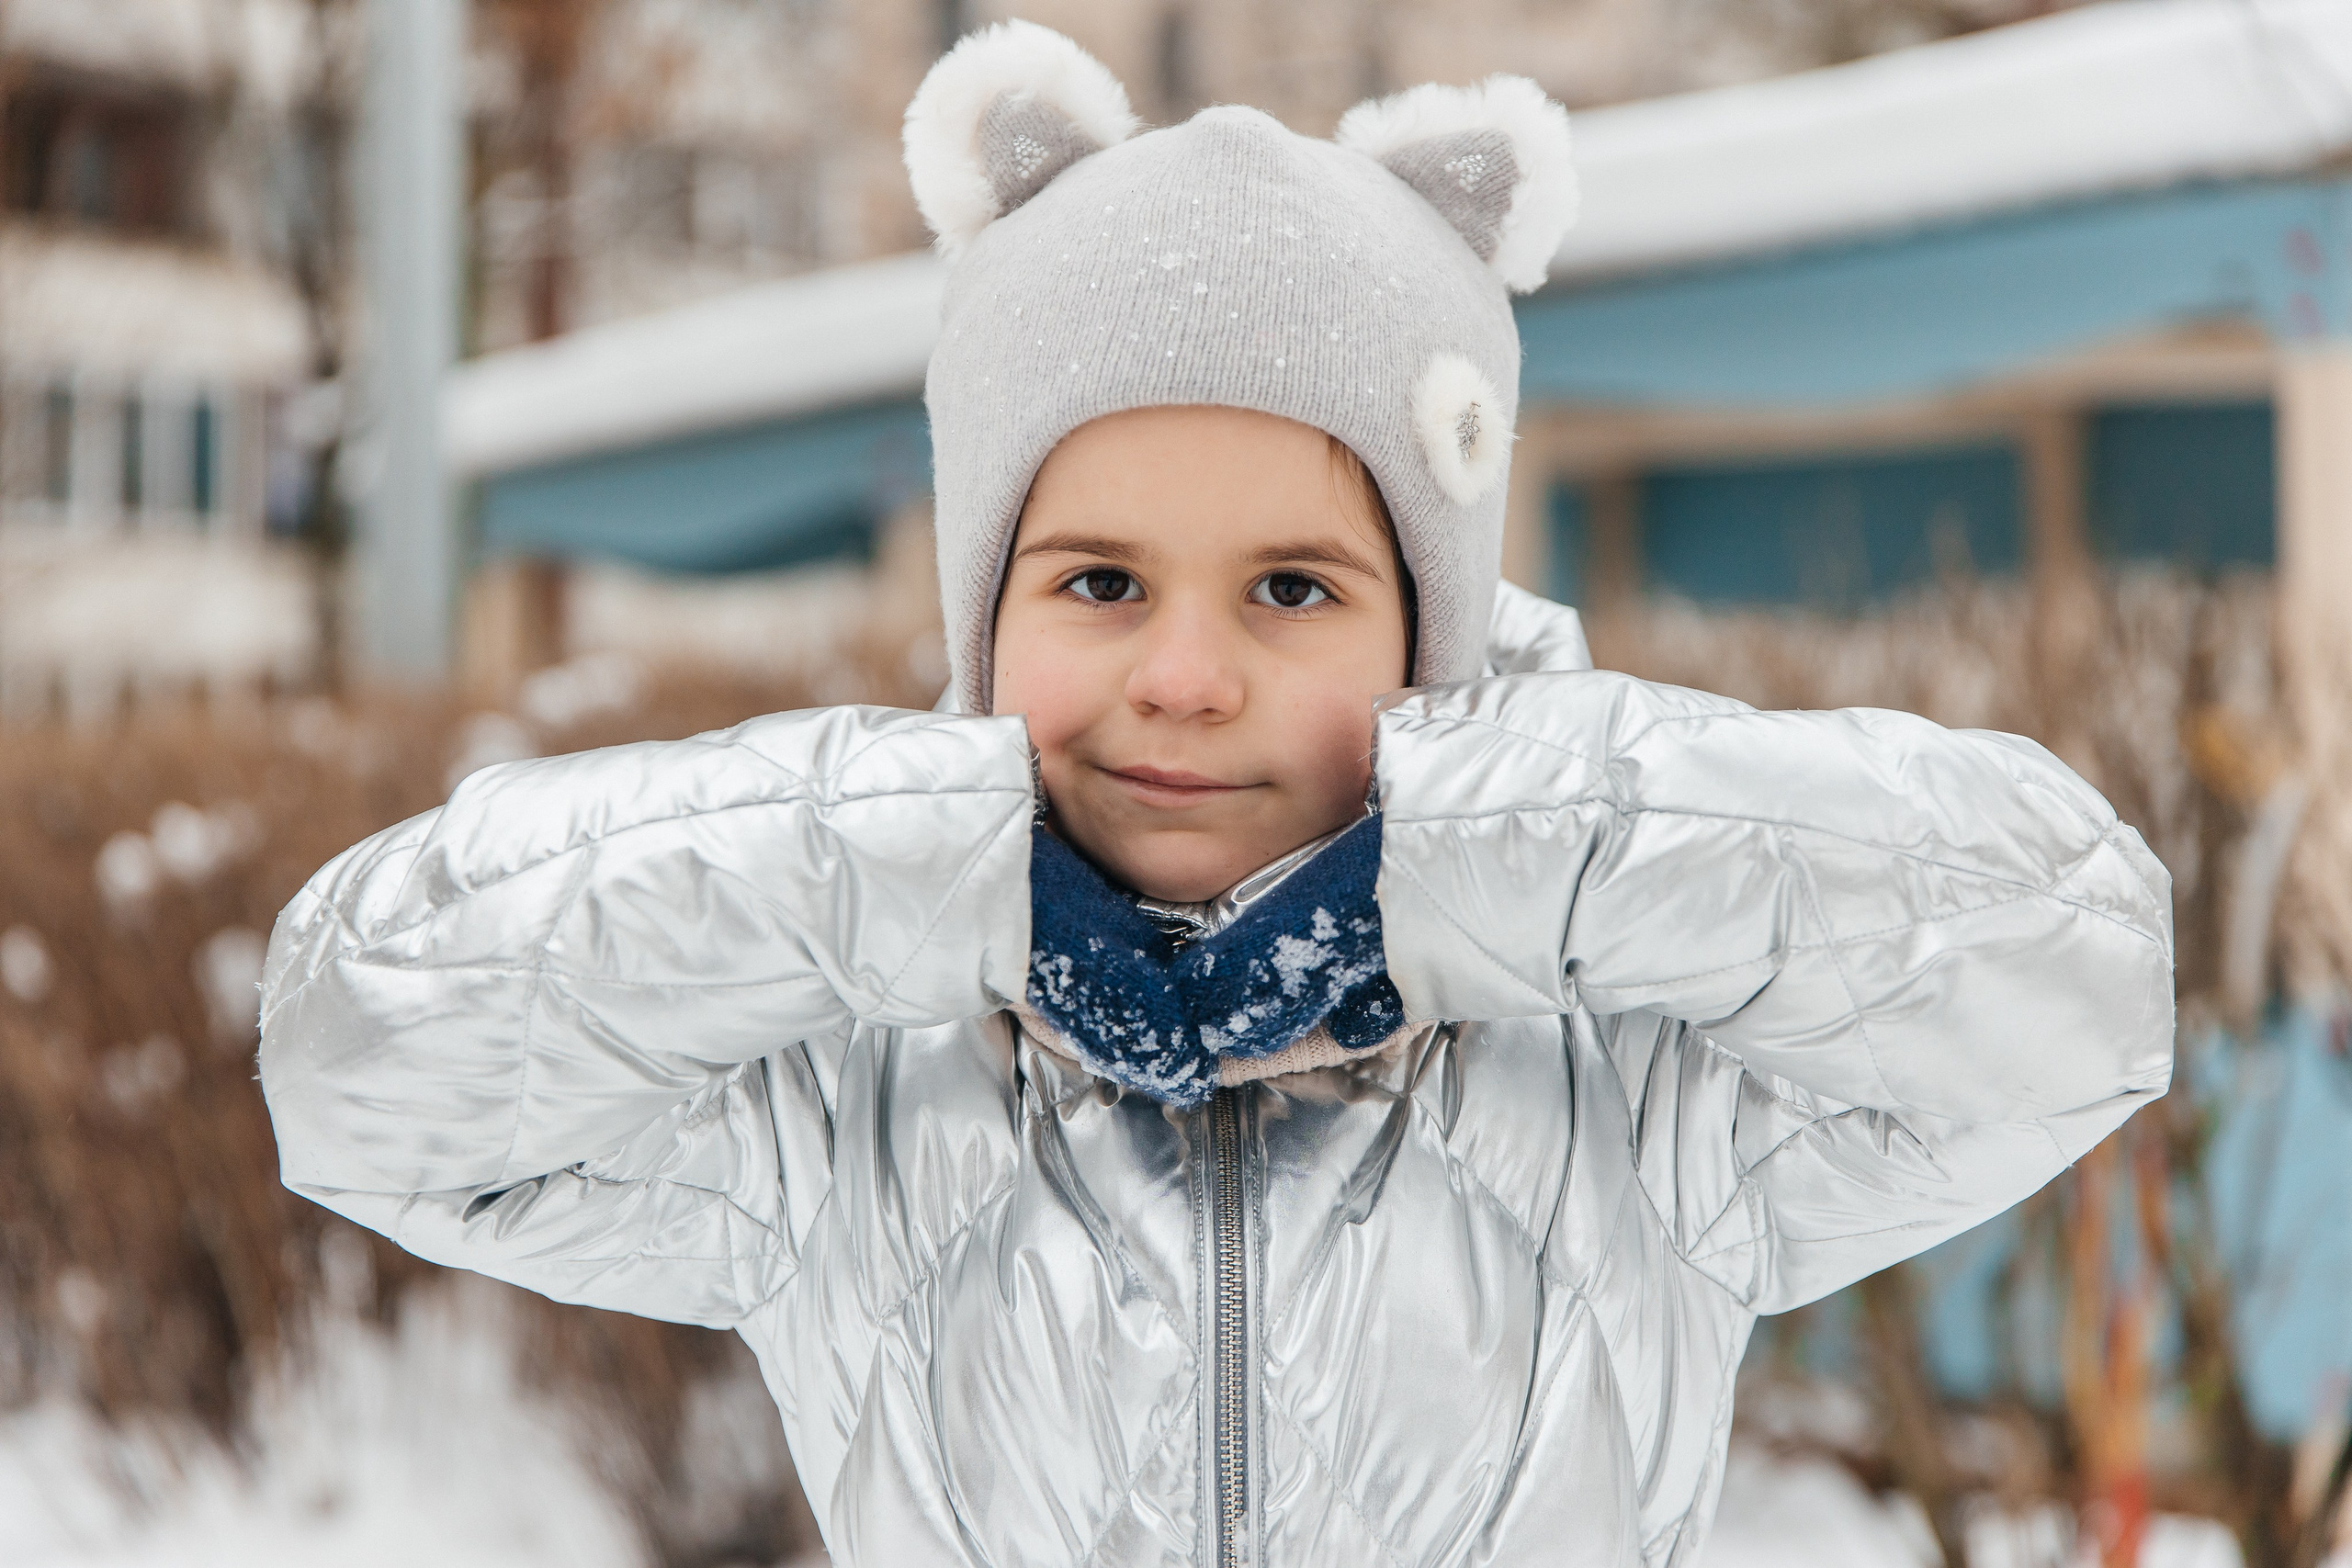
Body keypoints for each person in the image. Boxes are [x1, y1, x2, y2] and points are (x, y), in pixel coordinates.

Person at [259, 23, 2174, 1567]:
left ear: (1428, 633)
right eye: (1098, 581)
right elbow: (363, 1059)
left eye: (1292, 589)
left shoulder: (1638, 1091)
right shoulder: (843, 1101)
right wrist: (920, 865)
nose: (1183, 672)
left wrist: (1469, 854)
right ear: (982, 615)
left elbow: (2070, 971)